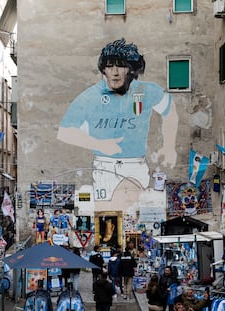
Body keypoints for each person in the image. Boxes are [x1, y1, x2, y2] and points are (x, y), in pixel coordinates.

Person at [57, 38, 178, 203]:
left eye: (120, 66)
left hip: (134, 165)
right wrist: (99, 144)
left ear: (131, 69)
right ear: (103, 70)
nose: (115, 72)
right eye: (109, 66)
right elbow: (65, 132)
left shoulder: (144, 91)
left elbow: (170, 110)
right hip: (103, 167)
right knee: (106, 217)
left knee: (125, 207)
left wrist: (169, 146)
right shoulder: (90, 96)